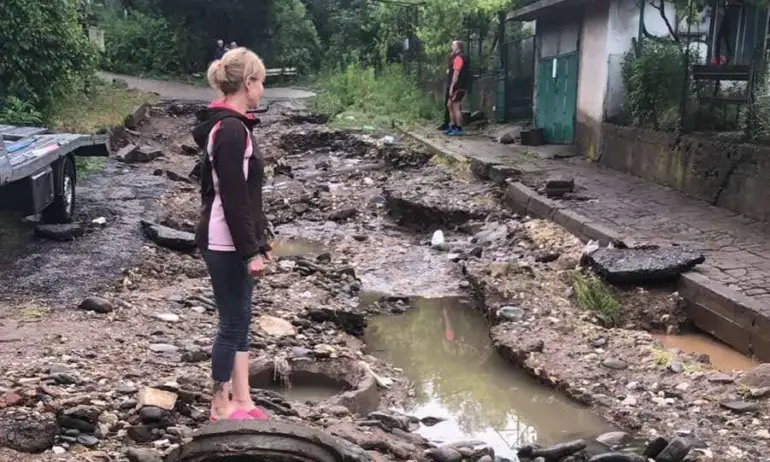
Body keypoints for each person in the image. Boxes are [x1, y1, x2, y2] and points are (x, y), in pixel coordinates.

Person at [191, 47, 271, 422]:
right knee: (231, 323)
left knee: (241, 320)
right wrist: (249, 252)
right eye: (261, 82)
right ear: (248, 83)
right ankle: (220, 405)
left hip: (234, 238)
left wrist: (260, 242)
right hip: (224, 240)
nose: (263, 90)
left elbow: (250, 198)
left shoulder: (235, 125)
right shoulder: (230, 130)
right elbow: (233, 196)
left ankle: (243, 399)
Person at [444, 40, 470, 136]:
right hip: (457, 85)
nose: (451, 46)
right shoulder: (456, 57)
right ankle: (452, 125)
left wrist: (452, 86)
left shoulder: (459, 58)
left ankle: (459, 128)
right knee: (449, 105)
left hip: (458, 86)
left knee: (456, 106)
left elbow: (456, 73)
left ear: (458, 47)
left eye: (453, 45)